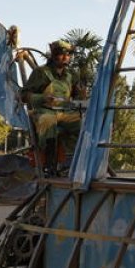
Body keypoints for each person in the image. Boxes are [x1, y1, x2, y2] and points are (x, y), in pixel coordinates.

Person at [21, 39, 82, 175]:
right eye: (62, 54)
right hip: (44, 111)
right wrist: (42, 98)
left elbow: (77, 95)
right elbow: (23, 96)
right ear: (54, 55)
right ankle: (48, 165)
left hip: (65, 112)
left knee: (84, 123)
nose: (66, 57)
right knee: (47, 121)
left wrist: (82, 96)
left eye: (68, 55)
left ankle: (73, 163)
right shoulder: (41, 73)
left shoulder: (71, 75)